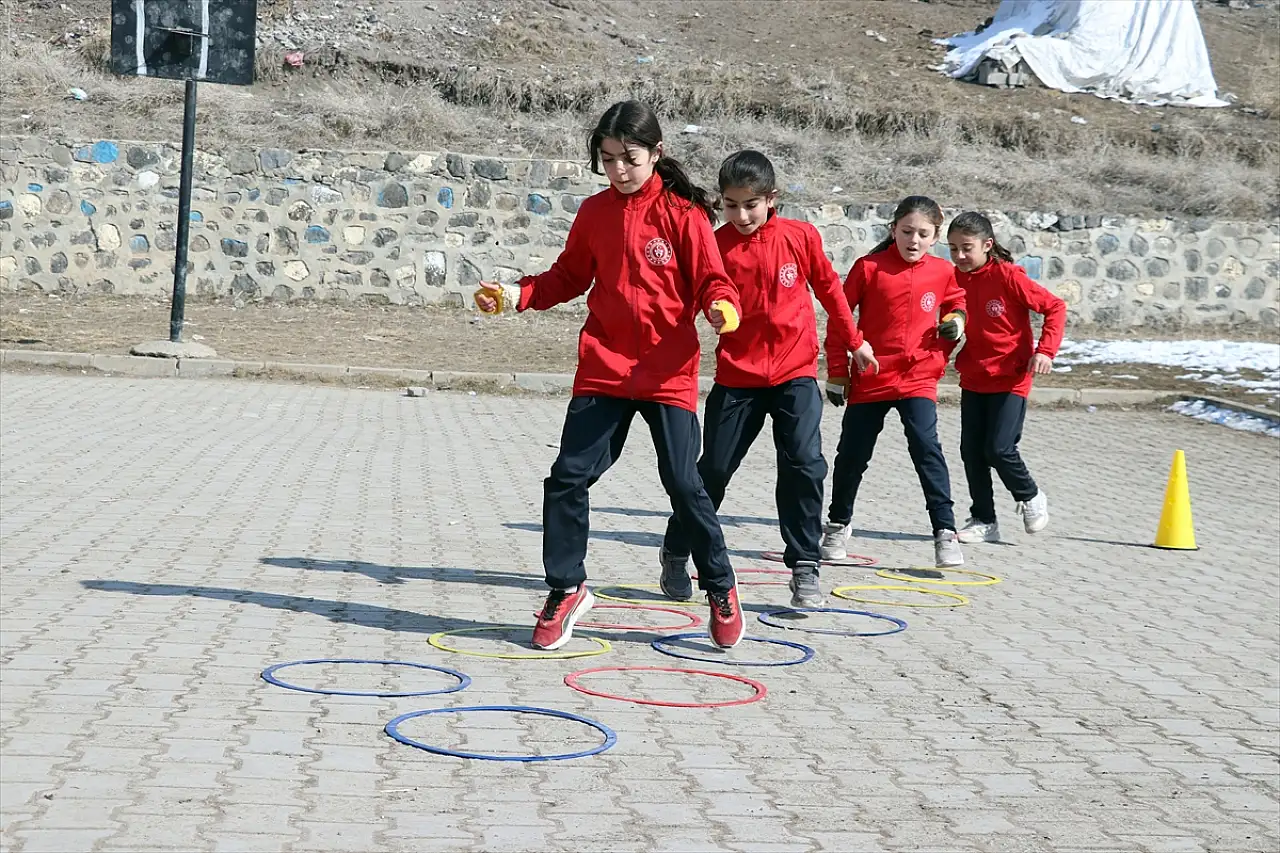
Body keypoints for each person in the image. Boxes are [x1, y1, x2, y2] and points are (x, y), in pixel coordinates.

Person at [474, 100, 746, 651]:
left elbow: (713, 279)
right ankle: (567, 587)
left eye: (631, 159)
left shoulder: (684, 214)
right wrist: (517, 294)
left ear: (656, 154)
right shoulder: (595, 213)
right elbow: (568, 276)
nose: (619, 170)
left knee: (683, 483)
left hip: (667, 371)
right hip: (604, 368)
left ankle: (719, 583)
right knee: (567, 476)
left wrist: (722, 306)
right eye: (608, 159)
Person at [658, 150, 877, 608]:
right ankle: (677, 549)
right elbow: (691, 300)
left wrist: (854, 341)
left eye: (751, 204)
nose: (741, 214)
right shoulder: (714, 245)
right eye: (731, 205)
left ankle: (803, 565)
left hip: (795, 373)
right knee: (712, 470)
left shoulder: (800, 237)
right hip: (738, 377)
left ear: (771, 199)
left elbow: (831, 292)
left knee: (803, 463)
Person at [821, 196, 968, 568]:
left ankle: (944, 532)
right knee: (852, 454)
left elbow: (956, 304)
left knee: (926, 448)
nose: (913, 240)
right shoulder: (869, 268)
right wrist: (838, 370)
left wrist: (956, 322)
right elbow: (840, 317)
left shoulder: (942, 271)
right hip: (871, 376)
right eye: (906, 232)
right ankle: (838, 524)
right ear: (893, 230)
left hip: (918, 377)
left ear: (935, 237)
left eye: (923, 234)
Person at [947, 211, 1066, 543]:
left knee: (999, 448)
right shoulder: (952, 278)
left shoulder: (1009, 277)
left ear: (987, 245)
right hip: (975, 376)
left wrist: (1045, 351)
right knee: (972, 451)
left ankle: (1030, 495)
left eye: (966, 248)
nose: (959, 256)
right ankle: (984, 519)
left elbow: (1055, 307)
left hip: (1012, 376)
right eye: (953, 248)